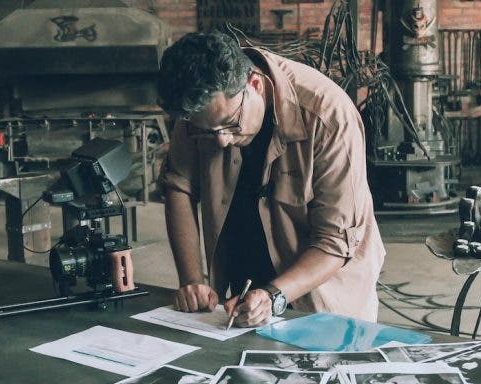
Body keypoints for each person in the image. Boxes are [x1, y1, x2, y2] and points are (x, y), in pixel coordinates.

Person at [156, 31, 385, 327]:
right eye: (208, 133)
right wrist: (191, 279)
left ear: (254, 84)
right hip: (241, 300)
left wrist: (273, 296)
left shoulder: (328, 116)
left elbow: (335, 244)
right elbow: (179, 186)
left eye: (230, 124)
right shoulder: (199, 106)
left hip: (322, 303)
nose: (222, 141)